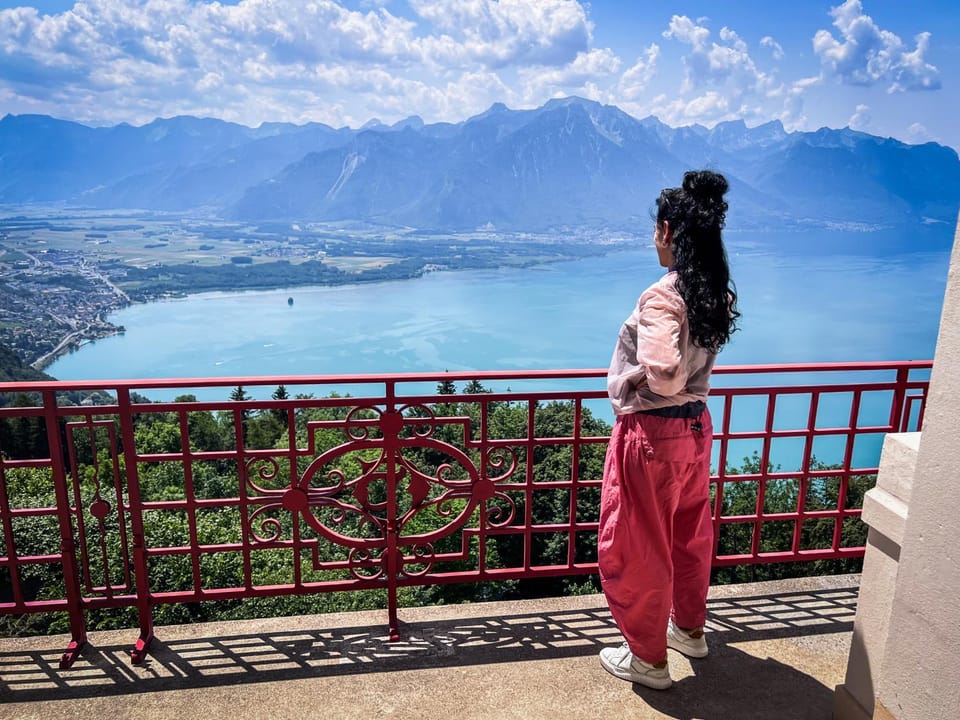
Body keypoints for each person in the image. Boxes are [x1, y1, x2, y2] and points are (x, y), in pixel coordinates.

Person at [598, 169, 739, 690]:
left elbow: (663, 373)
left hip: (652, 435)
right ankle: (689, 629)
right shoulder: (713, 292)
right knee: (688, 533)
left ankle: (648, 660)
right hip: (695, 431)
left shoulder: (663, 296)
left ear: (666, 230)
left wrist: (631, 383)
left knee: (639, 544)